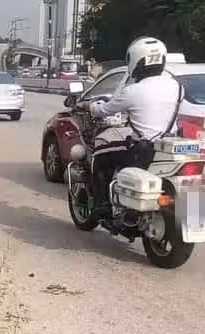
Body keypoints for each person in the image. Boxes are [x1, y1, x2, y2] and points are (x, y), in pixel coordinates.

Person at [76, 36, 183, 210]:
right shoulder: (178, 87)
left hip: (142, 150)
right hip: (168, 148)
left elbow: (104, 110)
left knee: (99, 156)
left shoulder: (132, 91)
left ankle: (102, 206)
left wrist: (89, 105)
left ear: (135, 61)